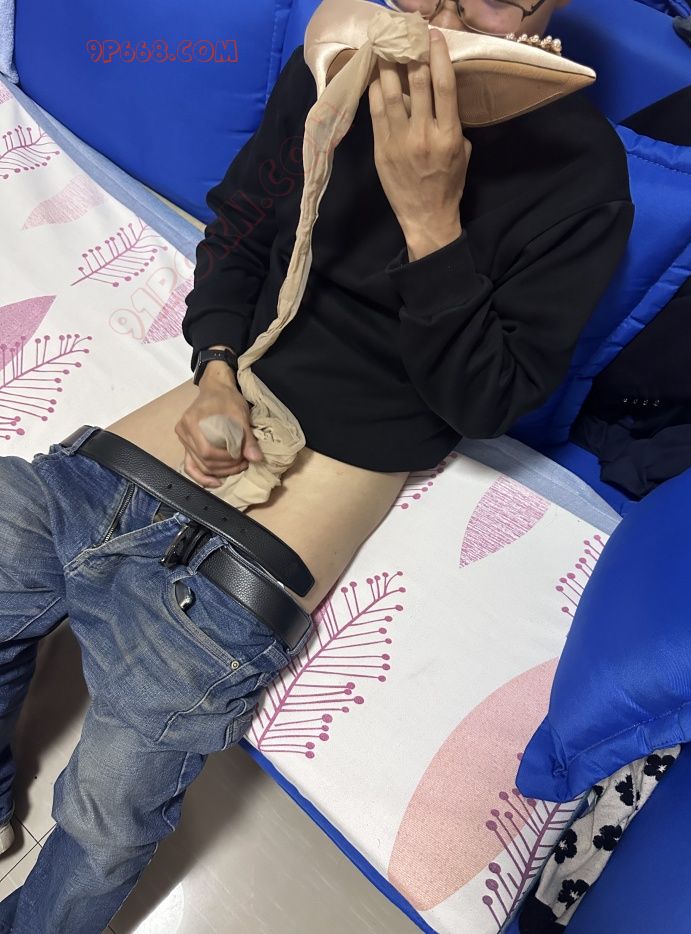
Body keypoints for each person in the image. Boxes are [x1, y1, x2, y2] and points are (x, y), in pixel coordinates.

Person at [0, 1, 633, 930]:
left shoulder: (581, 177)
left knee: (109, 809)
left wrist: (430, 219)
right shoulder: (339, 63)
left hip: (275, 538)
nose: (443, 13)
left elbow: (486, 402)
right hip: (180, 428)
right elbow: (240, 230)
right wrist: (218, 367)